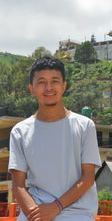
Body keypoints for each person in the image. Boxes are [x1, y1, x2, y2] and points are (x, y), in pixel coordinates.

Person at [8, 56, 101, 221]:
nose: (49, 87)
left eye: (55, 81)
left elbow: (88, 178)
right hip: (35, 212)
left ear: (64, 86)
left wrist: (55, 207)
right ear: (32, 88)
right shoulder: (20, 132)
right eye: (42, 82)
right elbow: (18, 186)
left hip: (77, 213)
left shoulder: (85, 126)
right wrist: (35, 215)